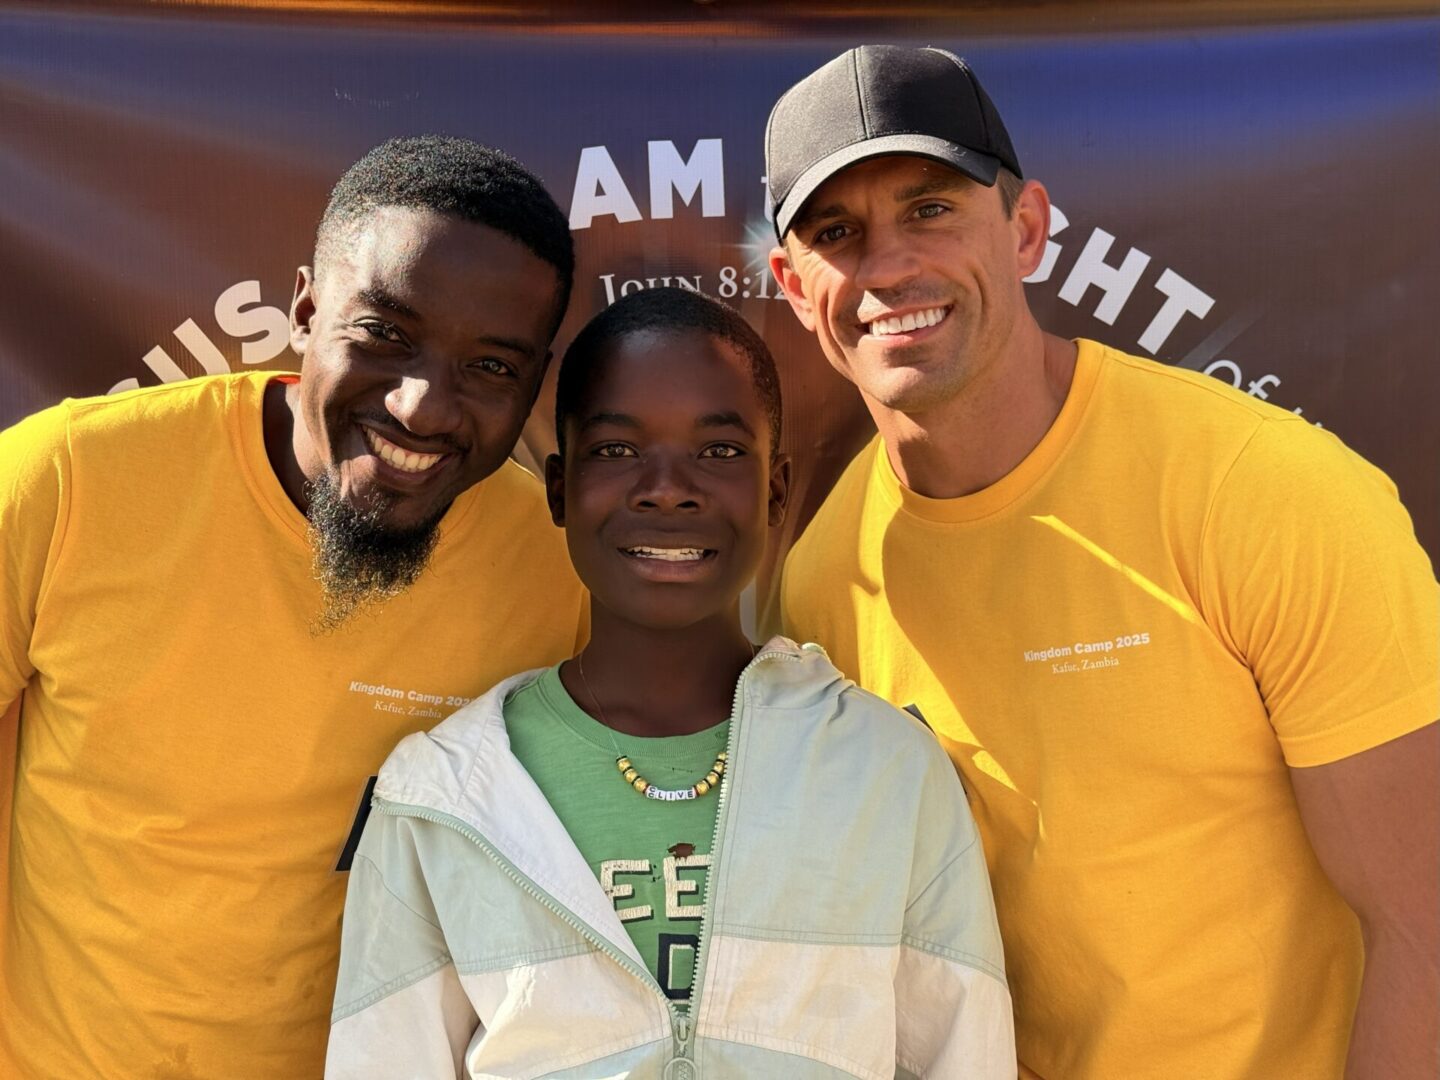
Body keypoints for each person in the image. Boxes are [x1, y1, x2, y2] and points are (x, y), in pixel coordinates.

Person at [766, 44, 1439, 1080]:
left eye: (932, 209)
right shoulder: (821, 585)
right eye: (838, 234)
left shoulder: (1260, 491)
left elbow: (1424, 924)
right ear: (793, 287)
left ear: (1027, 229)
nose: (888, 266)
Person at [0, 136, 586, 1077]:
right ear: (307, 309)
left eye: (489, 368)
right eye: (385, 334)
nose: (423, 406)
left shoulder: (559, 568)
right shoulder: (67, 480)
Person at [325, 286, 1015, 1078]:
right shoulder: (441, 798)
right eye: (617, 451)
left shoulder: (886, 770)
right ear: (558, 488)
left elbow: (965, 1055)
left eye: (719, 452)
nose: (666, 487)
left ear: (776, 491)